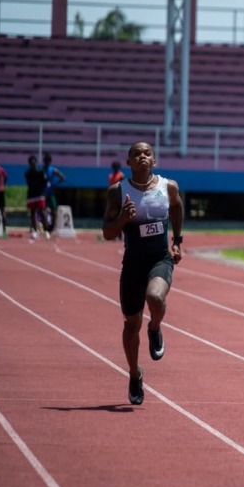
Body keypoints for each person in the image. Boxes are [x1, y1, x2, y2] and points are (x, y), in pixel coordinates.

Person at [102, 141, 184, 406]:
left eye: (147, 153)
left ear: (154, 160)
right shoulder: (118, 192)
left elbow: (177, 208)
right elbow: (107, 233)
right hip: (133, 264)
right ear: (129, 162)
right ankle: (135, 373)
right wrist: (124, 219)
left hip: (160, 258)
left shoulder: (168, 187)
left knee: (156, 298)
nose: (142, 157)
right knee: (130, 324)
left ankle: (155, 327)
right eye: (136, 154)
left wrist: (177, 241)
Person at [24, 155, 49, 240]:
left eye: (34, 162)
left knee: (42, 212)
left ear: (36, 163)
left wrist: (43, 193)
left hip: (40, 194)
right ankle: (35, 231)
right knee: (32, 213)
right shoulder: (27, 173)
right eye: (31, 162)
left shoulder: (41, 172)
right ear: (29, 163)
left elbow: (45, 183)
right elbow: (29, 183)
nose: (33, 163)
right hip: (31, 195)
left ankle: (46, 231)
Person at [42, 152, 65, 232]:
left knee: (54, 211)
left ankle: (52, 227)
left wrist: (55, 184)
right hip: (43, 194)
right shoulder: (41, 171)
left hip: (51, 193)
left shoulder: (53, 170)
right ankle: (45, 226)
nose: (46, 162)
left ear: (50, 161)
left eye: (48, 161)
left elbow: (62, 177)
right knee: (43, 211)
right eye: (45, 161)